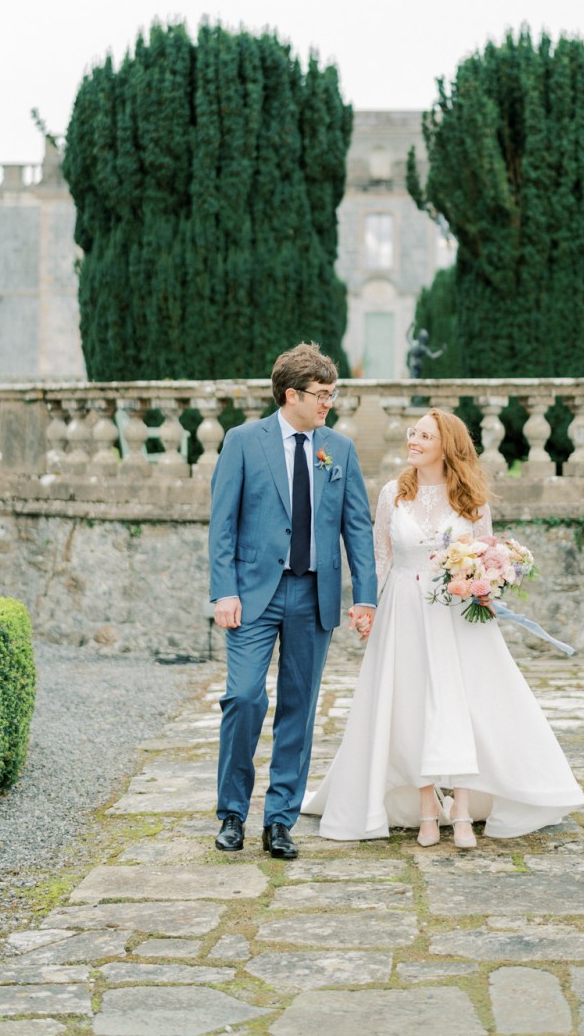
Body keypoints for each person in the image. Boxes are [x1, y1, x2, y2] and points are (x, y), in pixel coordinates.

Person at [302, 408, 584, 847]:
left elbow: (486, 553)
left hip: (455, 611)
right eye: (412, 432)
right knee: (410, 703)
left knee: (463, 703)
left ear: (446, 446)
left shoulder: (471, 499)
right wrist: (367, 608)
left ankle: (462, 806)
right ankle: (426, 807)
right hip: (404, 609)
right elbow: (381, 559)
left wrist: (487, 583)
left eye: (423, 435)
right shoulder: (391, 493)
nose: (412, 440)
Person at [209, 342, 377, 860]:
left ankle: (279, 820)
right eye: (322, 395)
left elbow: (357, 528)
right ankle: (232, 813)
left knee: (299, 711)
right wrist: (224, 591)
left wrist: (365, 597)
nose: (329, 403)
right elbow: (223, 523)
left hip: (315, 595)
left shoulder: (339, 450)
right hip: (254, 595)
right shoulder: (242, 441)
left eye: (332, 394)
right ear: (292, 394)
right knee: (243, 697)